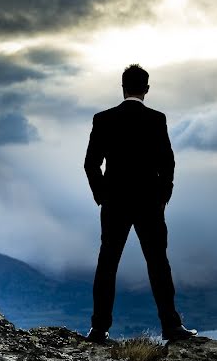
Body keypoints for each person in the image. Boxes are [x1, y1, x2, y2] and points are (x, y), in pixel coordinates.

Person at [83, 64, 196, 343]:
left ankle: (98, 329)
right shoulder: (157, 119)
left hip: (114, 204)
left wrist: (102, 196)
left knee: (107, 264)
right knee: (158, 264)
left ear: (123, 87)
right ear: (146, 88)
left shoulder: (103, 119)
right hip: (149, 204)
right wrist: (162, 198)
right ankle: (171, 327)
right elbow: (167, 163)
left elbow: (90, 164)